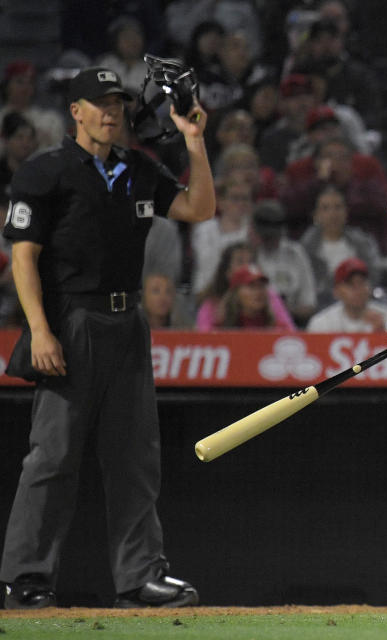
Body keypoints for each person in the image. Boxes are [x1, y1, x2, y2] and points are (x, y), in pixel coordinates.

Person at [0, 66, 215, 608]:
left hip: (128, 320)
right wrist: (41, 330)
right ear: (75, 111)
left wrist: (194, 141)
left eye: (117, 101)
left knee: (134, 457)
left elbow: (199, 208)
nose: (111, 111)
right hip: (72, 319)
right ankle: (24, 579)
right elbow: (22, 256)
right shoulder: (45, 171)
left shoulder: (136, 168)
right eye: (98, 103)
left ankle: (140, 576)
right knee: (53, 457)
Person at [298, 183, 383, 306]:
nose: (333, 214)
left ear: (346, 212)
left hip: (361, 301)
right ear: (316, 215)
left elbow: (374, 275)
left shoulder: (363, 243)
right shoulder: (305, 248)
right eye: (325, 208)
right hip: (321, 304)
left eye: (338, 207)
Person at [194, 240, 295, 331]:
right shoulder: (213, 309)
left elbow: (290, 335)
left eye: (251, 261)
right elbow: (204, 341)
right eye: (240, 262)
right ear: (227, 271)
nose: (247, 266)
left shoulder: (270, 298)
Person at [305, 257, 387, 332]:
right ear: (336, 291)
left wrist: (381, 332)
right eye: (350, 284)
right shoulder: (322, 323)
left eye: (362, 283)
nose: (358, 289)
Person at [215, 263, 282, 329]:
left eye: (261, 286)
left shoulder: (277, 328)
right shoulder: (220, 328)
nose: (258, 292)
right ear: (236, 292)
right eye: (251, 286)